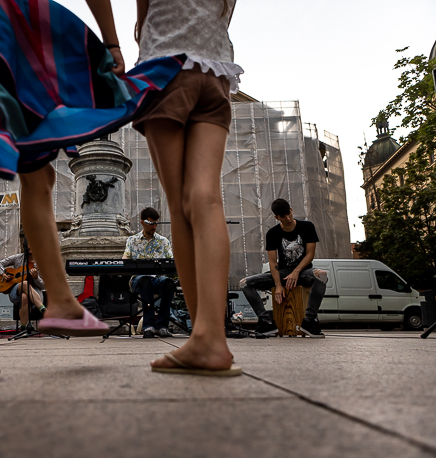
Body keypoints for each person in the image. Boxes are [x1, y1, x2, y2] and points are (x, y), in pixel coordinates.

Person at [0, 0, 184, 380]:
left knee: (38, 174)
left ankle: (62, 301)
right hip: (7, 28)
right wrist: (112, 44)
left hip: (2, 31)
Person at [132, 0, 244, 375]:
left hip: (166, 64)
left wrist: (137, 32)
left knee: (180, 206)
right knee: (206, 198)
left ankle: (204, 340)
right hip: (216, 70)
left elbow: (144, 13)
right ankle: (211, 336)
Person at [240, 199, 328, 338]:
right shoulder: (272, 233)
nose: (287, 218)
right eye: (283, 216)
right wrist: (278, 285)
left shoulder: (307, 227)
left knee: (322, 275)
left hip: (303, 272)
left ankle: (310, 320)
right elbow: (273, 262)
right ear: (276, 217)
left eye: (288, 213)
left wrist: (296, 272)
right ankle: (266, 322)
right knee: (245, 283)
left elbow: (310, 255)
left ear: (291, 209)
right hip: (282, 273)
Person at [122, 207, 176, 339]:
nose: (154, 227)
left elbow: (171, 262)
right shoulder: (132, 240)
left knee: (169, 283)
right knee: (145, 281)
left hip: (158, 279)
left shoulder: (163, 241)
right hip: (139, 280)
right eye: (151, 223)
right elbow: (125, 259)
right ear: (142, 222)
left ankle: (163, 326)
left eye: (156, 223)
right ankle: (148, 326)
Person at [0, 240, 46, 330]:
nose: (30, 252)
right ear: (24, 248)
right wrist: (3, 274)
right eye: (28, 249)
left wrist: (36, 278)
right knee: (24, 283)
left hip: (35, 292)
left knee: (24, 297)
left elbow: (43, 286)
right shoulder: (17, 258)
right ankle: (42, 308)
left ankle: (23, 328)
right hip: (16, 291)